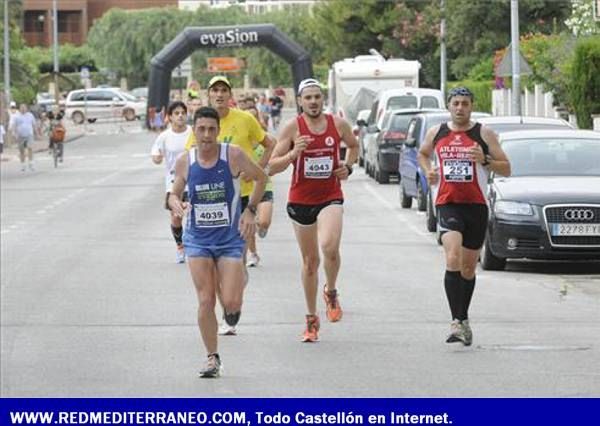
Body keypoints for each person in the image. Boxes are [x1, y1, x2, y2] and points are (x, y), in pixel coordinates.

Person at [169, 106, 267, 378]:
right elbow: (172, 193)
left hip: (229, 241)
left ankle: (235, 294)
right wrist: (175, 201)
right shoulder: (185, 161)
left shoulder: (233, 155)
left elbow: (261, 177)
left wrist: (250, 210)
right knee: (205, 299)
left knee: (231, 305)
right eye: (201, 129)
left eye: (212, 129)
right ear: (194, 131)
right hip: (198, 240)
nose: (207, 134)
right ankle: (212, 357)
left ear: (218, 131)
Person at [417, 87, 511, 346]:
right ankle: (456, 321)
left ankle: (464, 320)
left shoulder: (484, 133)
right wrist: (429, 171)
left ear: (471, 106)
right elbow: (423, 154)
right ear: (448, 105)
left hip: (476, 206)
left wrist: (485, 160)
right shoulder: (437, 132)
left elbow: (507, 168)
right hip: (448, 203)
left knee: (468, 267)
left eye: (465, 103)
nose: (460, 107)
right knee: (453, 256)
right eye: (456, 103)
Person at [268, 78, 359, 342]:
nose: (313, 102)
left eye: (317, 97)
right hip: (300, 200)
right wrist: (293, 154)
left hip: (330, 195)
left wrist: (348, 167)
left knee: (329, 246)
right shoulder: (292, 128)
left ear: (323, 99)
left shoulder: (337, 124)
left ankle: (330, 291)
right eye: (308, 97)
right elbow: (272, 166)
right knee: (310, 263)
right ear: (299, 101)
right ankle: (311, 318)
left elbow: (353, 146)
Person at [185, 75, 275, 335]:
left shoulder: (244, 119)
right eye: (215, 91)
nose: (220, 95)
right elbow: (190, 162)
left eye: (224, 90)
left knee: (235, 256)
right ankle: (227, 310)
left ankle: (233, 295)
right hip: (216, 200)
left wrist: (258, 168)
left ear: (230, 94)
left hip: (245, 195)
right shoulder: (204, 123)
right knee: (217, 271)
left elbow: (270, 143)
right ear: (209, 96)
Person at [151, 101, 193, 263]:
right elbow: (156, 153)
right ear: (169, 117)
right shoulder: (164, 136)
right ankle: (180, 247)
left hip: (193, 180)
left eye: (183, 112)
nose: (181, 115)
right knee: (176, 218)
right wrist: (157, 158)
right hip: (174, 183)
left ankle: (194, 246)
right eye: (176, 113)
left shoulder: (193, 132)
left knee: (194, 216)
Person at [12, 104, 39, 172]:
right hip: (20, 135)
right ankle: (23, 165)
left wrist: (37, 133)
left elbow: (34, 124)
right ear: (19, 109)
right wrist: (14, 134)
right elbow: (14, 126)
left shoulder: (30, 115)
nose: (23, 109)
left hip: (29, 134)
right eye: (22, 108)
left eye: (24, 108)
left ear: (27, 108)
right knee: (22, 151)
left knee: (30, 148)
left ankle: (31, 163)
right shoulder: (16, 116)